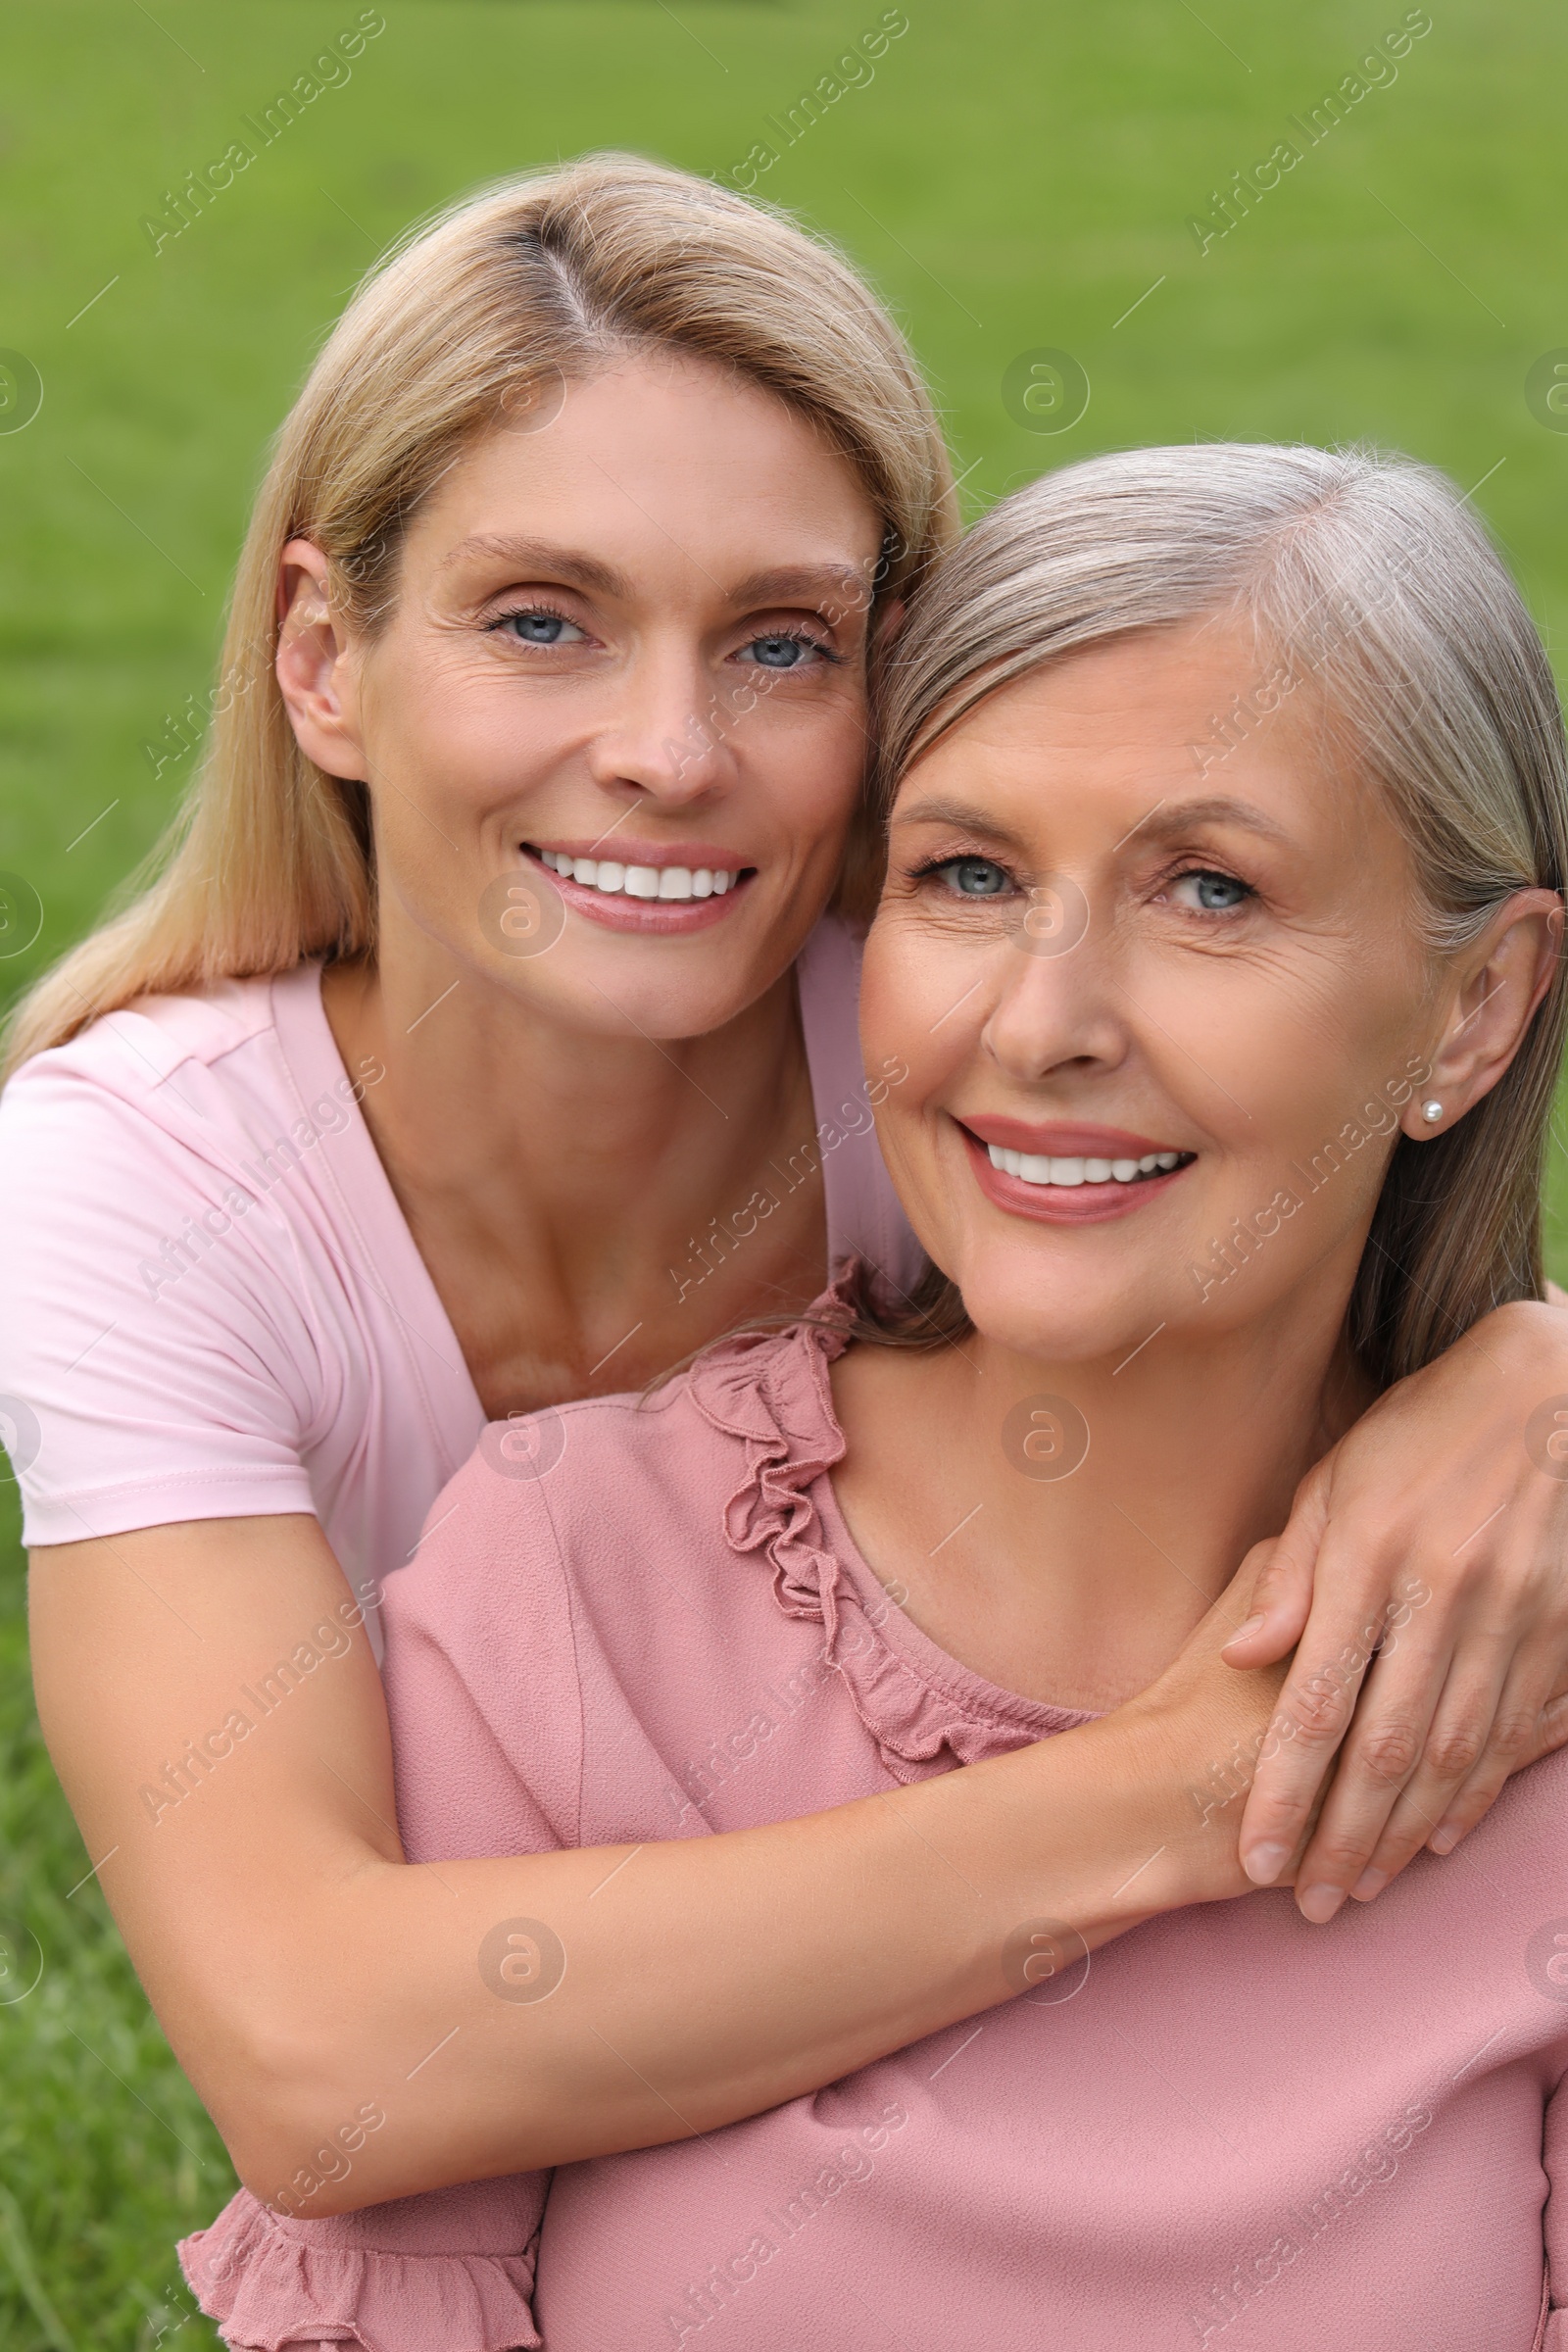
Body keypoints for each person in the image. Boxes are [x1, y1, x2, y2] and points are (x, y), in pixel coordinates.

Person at [4, 152, 1568, 2234]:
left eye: (776, 644)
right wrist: (1191, 1789)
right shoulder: (144, 1183)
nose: (665, 749)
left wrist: (1526, 1374)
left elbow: (1328, 1060)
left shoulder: (948, 1047)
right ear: (321, 655)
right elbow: (319, 2054)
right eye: (540, 620)